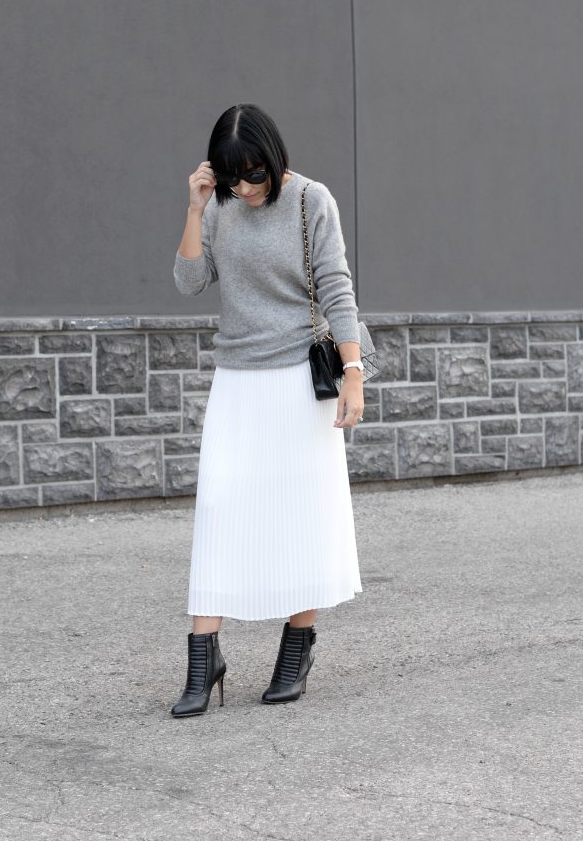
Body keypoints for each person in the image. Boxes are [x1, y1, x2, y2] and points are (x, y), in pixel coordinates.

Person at [170, 103, 365, 718]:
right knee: (220, 507)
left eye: (254, 175)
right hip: (237, 380)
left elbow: (336, 287)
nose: (246, 188)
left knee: (299, 512)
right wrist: (198, 206)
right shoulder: (222, 206)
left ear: (274, 158)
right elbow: (188, 281)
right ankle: (204, 656)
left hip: (299, 382)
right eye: (233, 179)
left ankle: (296, 648)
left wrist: (354, 374)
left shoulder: (312, 201)